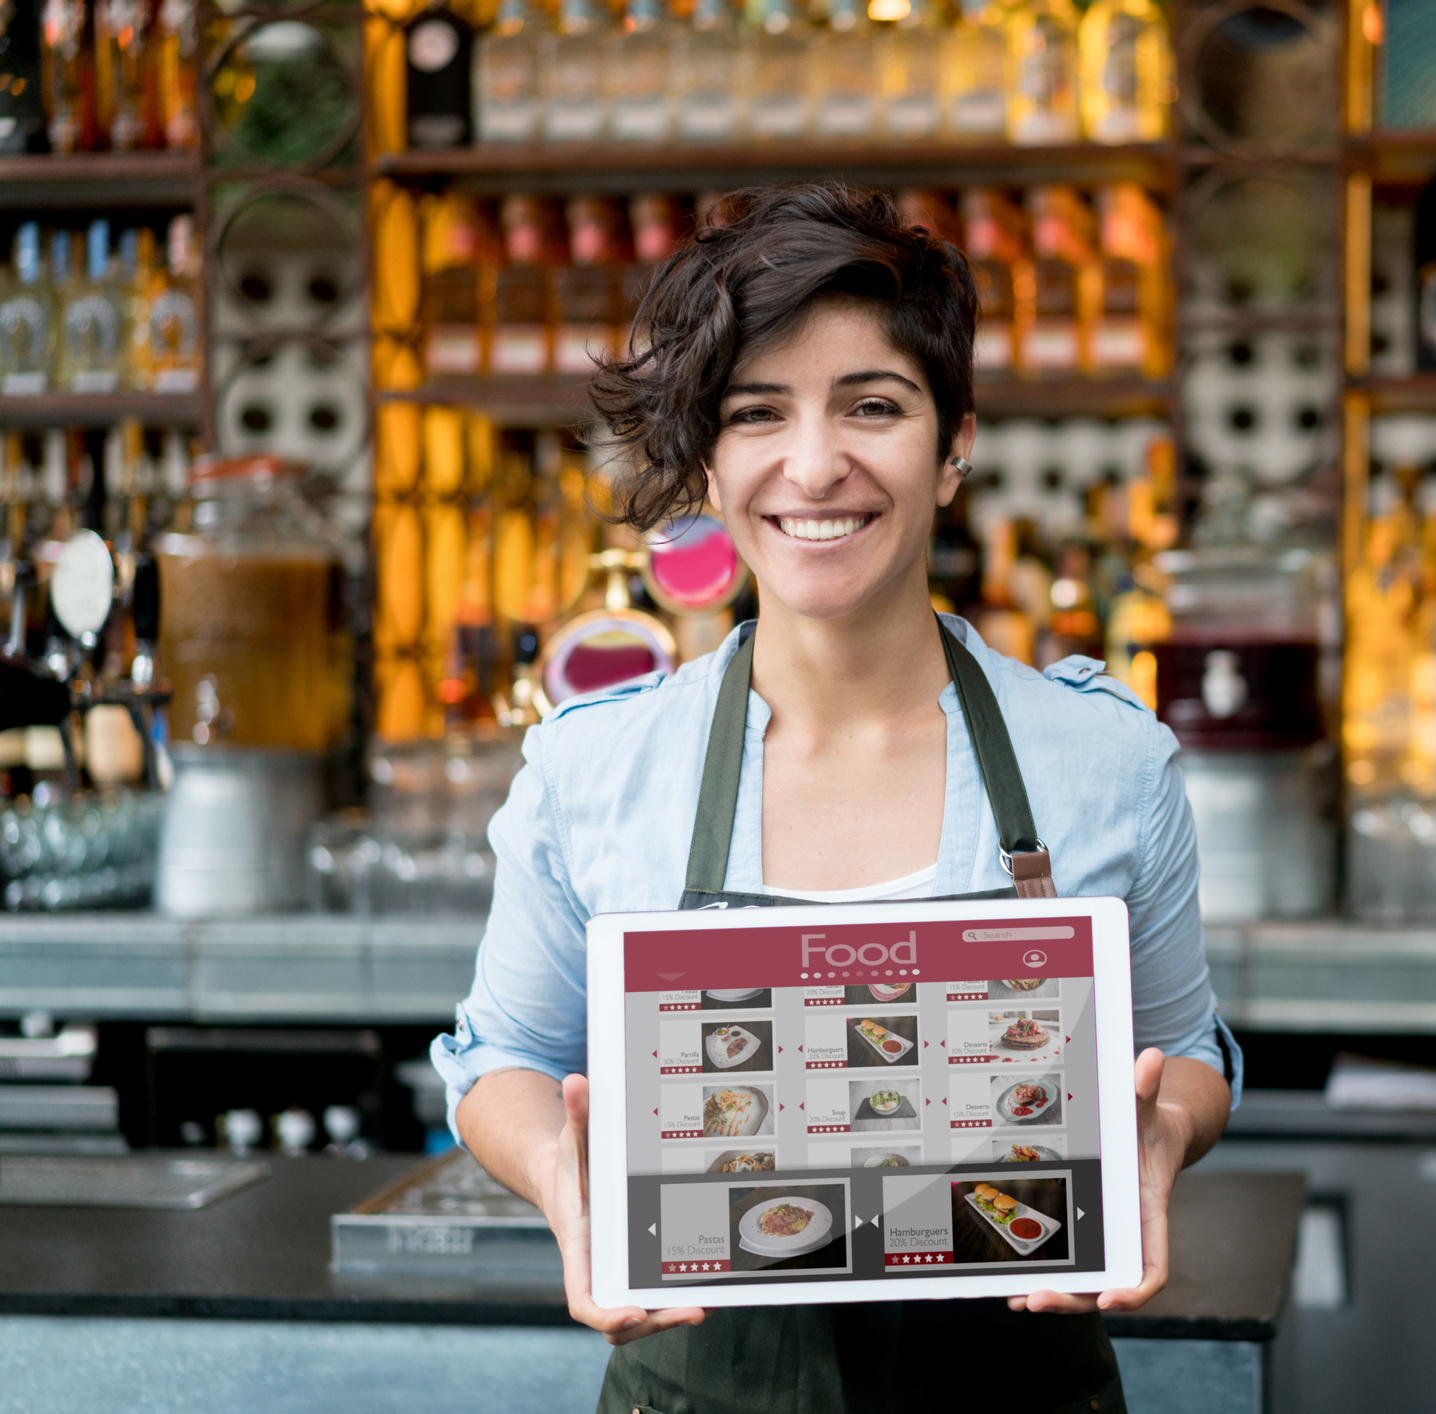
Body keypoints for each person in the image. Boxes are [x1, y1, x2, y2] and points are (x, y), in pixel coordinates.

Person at [431, 183, 1242, 1414]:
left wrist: (1157, 1139)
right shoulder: (596, 769)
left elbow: (1183, 1049)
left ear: (953, 441)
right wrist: (563, 1175)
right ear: (707, 463)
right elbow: (503, 1056)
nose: (815, 464)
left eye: (872, 405)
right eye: (759, 414)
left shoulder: (1103, 761)